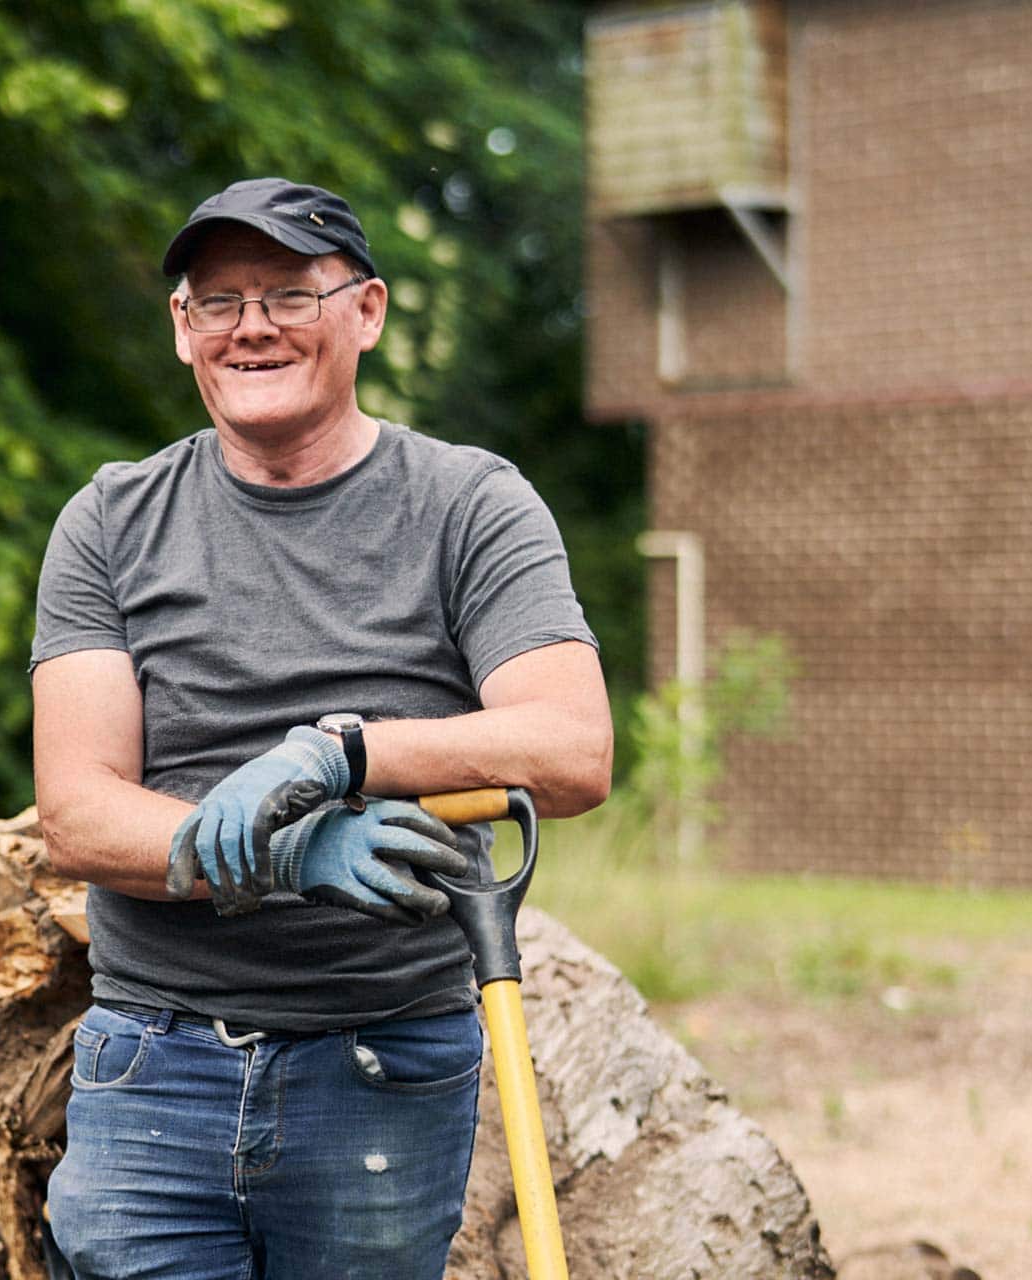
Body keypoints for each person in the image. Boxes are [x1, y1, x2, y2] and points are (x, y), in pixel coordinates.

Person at [30, 176, 611, 1280]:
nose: (251, 325)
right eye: (217, 299)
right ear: (181, 330)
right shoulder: (110, 518)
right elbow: (78, 812)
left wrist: (344, 754)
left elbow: (573, 748)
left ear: (368, 311)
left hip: (383, 1063)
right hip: (154, 1061)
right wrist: (291, 853)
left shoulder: (470, 505)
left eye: (291, 293)